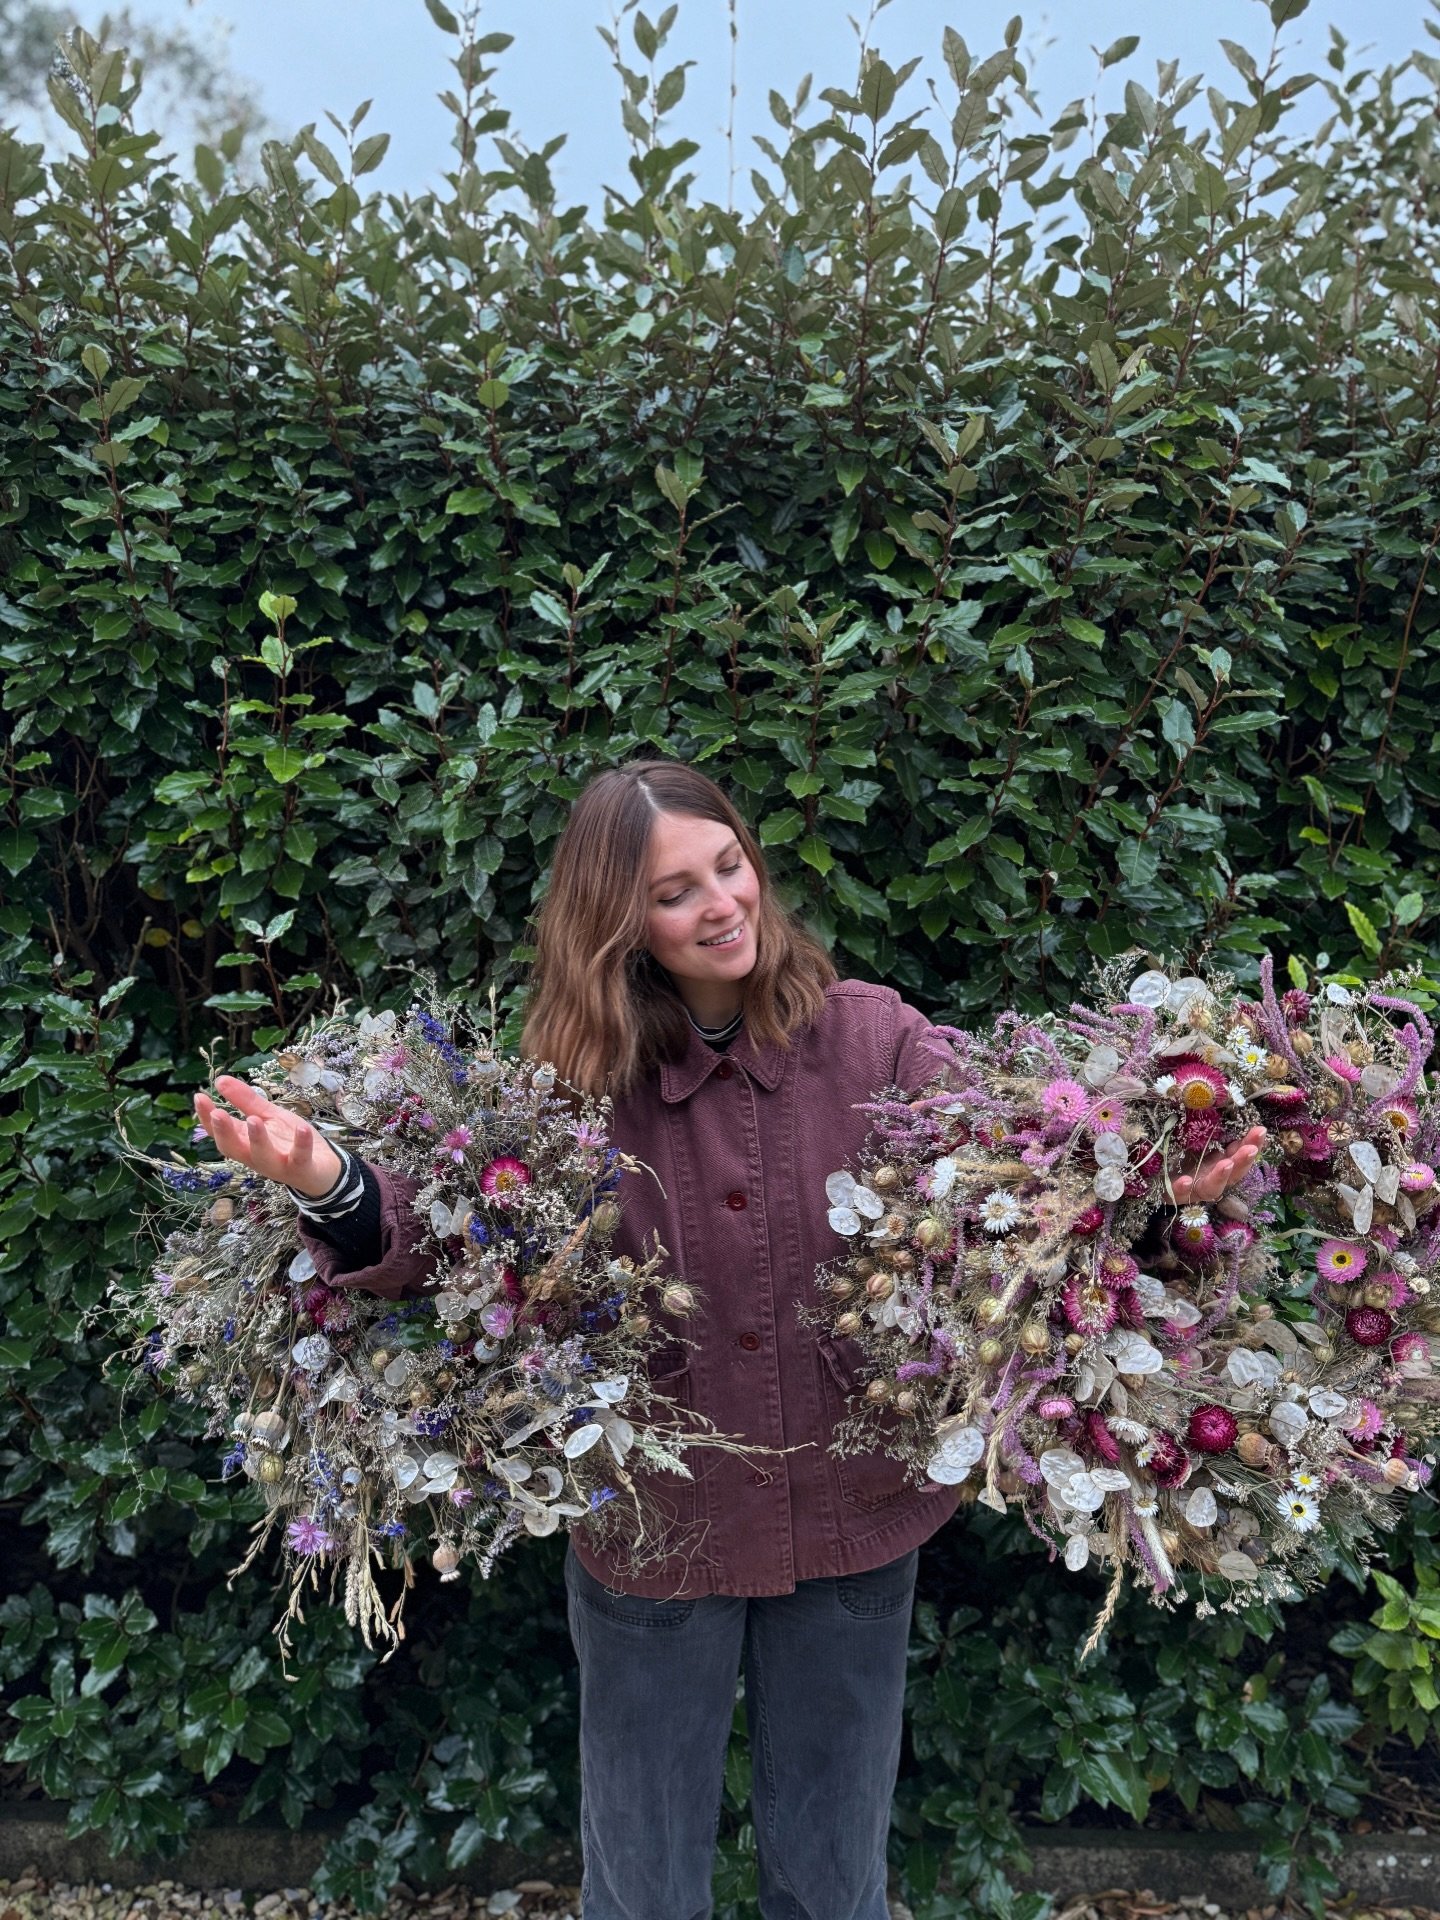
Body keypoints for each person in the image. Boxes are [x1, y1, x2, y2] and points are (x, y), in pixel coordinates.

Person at [193, 759, 1264, 1920]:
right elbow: (463, 1244)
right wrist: (332, 1181)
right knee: (643, 1890)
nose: (720, 903)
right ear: (619, 927)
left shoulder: (877, 1043)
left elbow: (1033, 1191)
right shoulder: (572, 1088)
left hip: (854, 1522)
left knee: (834, 1886)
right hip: (658, 1537)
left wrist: (1161, 1200)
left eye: (729, 864)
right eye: (673, 892)